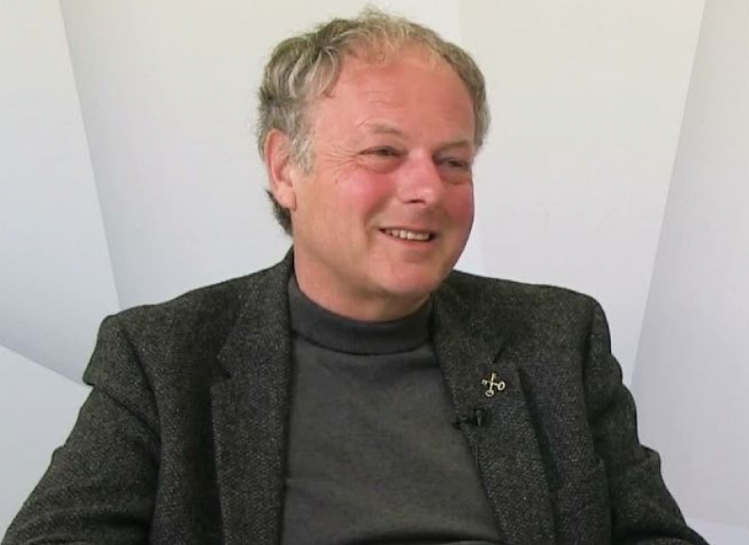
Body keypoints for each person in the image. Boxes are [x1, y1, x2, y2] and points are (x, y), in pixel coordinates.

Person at [3, 9, 709, 545]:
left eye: (453, 161)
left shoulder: (557, 337)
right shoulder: (162, 357)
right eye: (383, 153)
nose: (426, 190)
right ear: (285, 167)